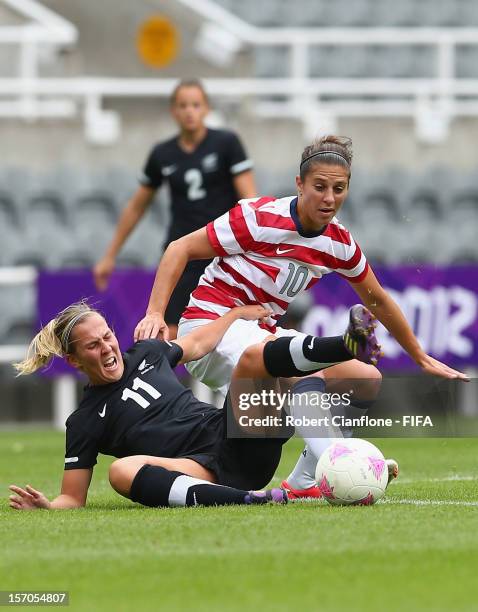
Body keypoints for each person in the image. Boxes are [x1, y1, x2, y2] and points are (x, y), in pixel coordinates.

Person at [134, 134, 468, 499]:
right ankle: (340, 465)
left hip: (261, 334)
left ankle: (305, 482)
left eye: (339, 189)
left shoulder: (339, 244)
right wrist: (155, 312)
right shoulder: (258, 218)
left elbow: (379, 301)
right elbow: (179, 248)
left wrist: (418, 356)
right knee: (291, 369)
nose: (329, 198)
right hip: (212, 326)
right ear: (300, 184)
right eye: (320, 186)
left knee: (366, 377)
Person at [94, 78, 256, 339]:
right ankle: (159, 380)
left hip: (223, 247)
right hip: (182, 250)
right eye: (183, 105)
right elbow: (137, 206)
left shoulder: (227, 143)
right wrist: (110, 255)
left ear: (206, 108)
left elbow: (249, 199)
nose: (189, 111)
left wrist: (254, 244)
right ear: (173, 111)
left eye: (195, 104)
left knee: (230, 329)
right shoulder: (163, 154)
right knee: (166, 330)